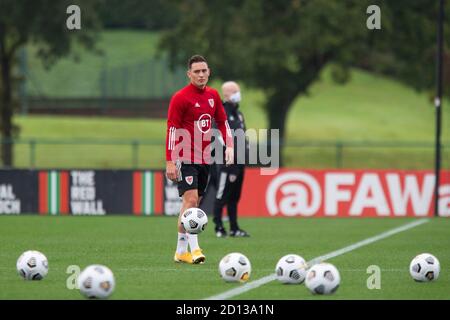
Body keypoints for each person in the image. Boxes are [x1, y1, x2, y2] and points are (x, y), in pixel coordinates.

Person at [165, 55, 234, 264]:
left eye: (204, 71)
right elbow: (171, 129)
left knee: (192, 204)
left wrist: (229, 145)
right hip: (185, 156)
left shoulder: (213, 95)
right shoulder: (180, 97)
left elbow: (223, 122)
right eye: (197, 71)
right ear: (189, 74)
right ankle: (195, 250)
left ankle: (180, 252)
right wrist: (170, 161)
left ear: (209, 72)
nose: (201, 74)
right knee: (192, 202)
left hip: (205, 158)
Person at [213, 81, 250, 238]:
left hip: (240, 163)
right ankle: (219, 227)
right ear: (226, 94)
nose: (238, 94)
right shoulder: (222, 112)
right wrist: (229, 155)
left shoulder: (239, 114)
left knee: (234, 197)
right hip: (227, 163)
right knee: (222, 196)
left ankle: (234, 228)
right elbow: (218, 136)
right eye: (235, 91)